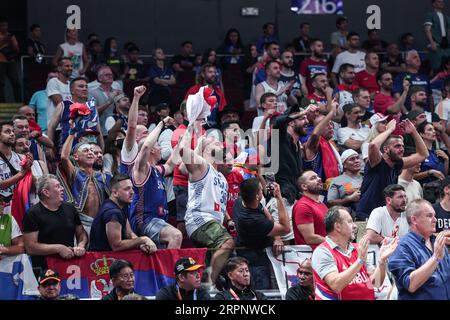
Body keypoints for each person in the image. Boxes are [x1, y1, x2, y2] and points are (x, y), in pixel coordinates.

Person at [180, 124, 234, 285]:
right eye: (226, 157)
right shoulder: (203, 168)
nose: (231, 161)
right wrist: (195, 136)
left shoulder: (222, 178)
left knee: (219, 261)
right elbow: (183, 151)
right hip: (199, 220)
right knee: (228, 243)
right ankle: (208, 282)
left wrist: (228, 219)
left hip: (212, 223)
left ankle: (207, 286)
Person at [312, 206, 399, 300]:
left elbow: (375, 283)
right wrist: (360, 260)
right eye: (350, 222)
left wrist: (382, 261)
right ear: (338, 227)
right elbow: (336, 285)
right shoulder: (322, 252)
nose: (355, 226)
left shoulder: (357, 249)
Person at [356, 118, 428, 222]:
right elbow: (373, 145)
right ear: (386, 149)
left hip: (386, 217)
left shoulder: (397, 165)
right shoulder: (377, 162)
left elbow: (423, 154)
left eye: (402, 146)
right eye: (397, 146)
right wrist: (389, 130)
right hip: (366, 217)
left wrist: (413, 132)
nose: (402, 149)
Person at [129, 116, 182, 249]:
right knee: (176, 236)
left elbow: (170, 165)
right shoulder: (141, 169)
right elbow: (146, 145)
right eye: (158, 145)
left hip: (158, 221)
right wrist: (161, 124)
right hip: (145, 220)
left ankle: (166, 270)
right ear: (152, 150)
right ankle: (173, 270)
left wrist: (183, 139)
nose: (161, 149)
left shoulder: (156, 170)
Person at [22, 174, 88, 274]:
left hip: (70, 266)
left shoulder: (70, 208)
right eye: (57, 186)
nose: (62, 189)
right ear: (46, 192)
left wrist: (81, 245)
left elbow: (81, 233)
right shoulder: (32, 214)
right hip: (44, 268)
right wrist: (58, 248)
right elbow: (30, 247)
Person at [233, 180, 290, 289]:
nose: (263, 189)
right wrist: (278, 197)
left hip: (252, 250)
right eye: (260, 189)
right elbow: (285, 228)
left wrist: (277, 237)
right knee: (262, 291)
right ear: (257, 196)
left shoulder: (240, 201)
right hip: (255, 259)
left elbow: (264, 211)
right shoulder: (253, 220)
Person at [388, 199, 450, 300]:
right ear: (414, 220)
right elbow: (410, 285)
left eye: (434, 215)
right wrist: (435, 258)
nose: (435, 220)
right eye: (429, 216)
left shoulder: (436, 241)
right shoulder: (401, 247)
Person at [89, 174, 157, 253]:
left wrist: (140, 245)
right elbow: (116, 246)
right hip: (101, 261)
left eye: (132, 188)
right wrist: (143, 239)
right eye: (127, 189)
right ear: (115, 193)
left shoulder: (121, 205)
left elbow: (129, 233)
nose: (132, 192)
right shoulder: (112, 212)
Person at [59, 131, 111, 234]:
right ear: (76, 157)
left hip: (100, 222)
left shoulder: (102, 176)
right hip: (81, 222)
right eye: (86, 150)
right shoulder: (75, 173)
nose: (90, 152)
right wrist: (72, 133)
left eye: (92, 150)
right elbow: (64, 157)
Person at [47, 77, 104, 152]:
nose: (85, 89)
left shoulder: (92, 107)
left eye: (86, 86)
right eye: (81, 86)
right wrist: (49, 148)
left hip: (91, 152)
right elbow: (51, 127)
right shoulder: (64, 105)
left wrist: (101, 151)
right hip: (69, 151)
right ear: (72, 91)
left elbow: (98, 131)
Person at [0, 121, 33, 214]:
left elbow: (33, 187)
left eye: (12, 131)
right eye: (7, 132)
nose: (12, 134)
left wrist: (29, 169)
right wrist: (21, 173)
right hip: (2, 209)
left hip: (19, 206)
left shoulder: (21, 158)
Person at [185, 63, 227, 128]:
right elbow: (185, 109)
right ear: (203, 74)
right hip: (197, 129)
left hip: (215, 129)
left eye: (214, 72)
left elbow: (223, 112)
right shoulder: (194, 90)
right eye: (210, 72)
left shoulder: (219, 93)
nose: (213, 74)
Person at [292, 171, 327, 247]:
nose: (319, 179)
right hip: (311, 255)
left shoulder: (322, 205)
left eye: (318, 176)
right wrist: (336, 242)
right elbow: (310, 238)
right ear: (304, 186)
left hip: (325, 250)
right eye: (313, 178)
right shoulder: (303, 206)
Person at [89, 66, 122, 137]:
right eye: (107, 75)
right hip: (101, 131)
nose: (110, 76)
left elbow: (126, 110)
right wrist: (109, 101)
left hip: (118, 131)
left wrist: (122, 101)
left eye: (111, 75)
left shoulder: (118, 92)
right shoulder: (93, 93)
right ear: (100, 78)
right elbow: (91, 112)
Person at [327, 149, 363, 217]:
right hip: (347, 218)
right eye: (352, 159)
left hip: (368, 215)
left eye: (357, 158)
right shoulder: (336, 181)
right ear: (344, 165)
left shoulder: (366, 178)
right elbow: (330, 203)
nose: (356, 161)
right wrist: (349, 198)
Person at [46, 58, 73, 129]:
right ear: (59, 68)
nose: (70, 68)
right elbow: (61, 104)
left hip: (70, 126)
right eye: (67, 66)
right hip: (57, 127)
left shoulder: (72, 85)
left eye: (71, 66)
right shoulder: (53, 82)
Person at [424, 0, 450, 72]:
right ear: (434, 4)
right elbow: (427, 29)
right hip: (436, 44)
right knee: (437, 67)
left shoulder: (446, 17)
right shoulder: (430, 15)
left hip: (446, 45)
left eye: (442, 1)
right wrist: (432, 42)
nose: (441, 3)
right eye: (439, 1)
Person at [0, 17, 21, 103]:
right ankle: (2, 102)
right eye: (2, 25)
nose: (5, 27)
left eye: (6, 25)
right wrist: (3, 40)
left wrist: (12, 43)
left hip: (10, 61)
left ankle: (18, 101)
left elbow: (17, 49)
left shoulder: (11, 35)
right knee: (1, 83)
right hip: (0, 62)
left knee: (16, 82)